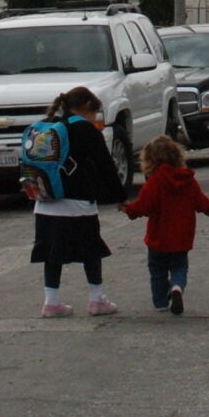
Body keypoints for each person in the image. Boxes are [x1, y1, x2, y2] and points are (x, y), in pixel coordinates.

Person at [26, 86, 126, 318]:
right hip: (78, 202)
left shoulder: (46, 124)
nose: (95, 118)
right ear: (87, 107)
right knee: (90, 250)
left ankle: (51, 303)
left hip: (45, 201)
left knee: (52, 253)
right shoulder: (84, 128)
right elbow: (105, 165)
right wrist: (119, 197)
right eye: (95, 113)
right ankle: (96, 299)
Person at [120, 133, 209, 315]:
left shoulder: (155, 182)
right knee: (179, 266)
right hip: (182, 238)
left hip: (158, 237)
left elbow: (143, 207)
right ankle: (176, 288)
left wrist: (128, 209)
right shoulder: (188, 181)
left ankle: (160, 303)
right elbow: (205, 206)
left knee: (157, 270)